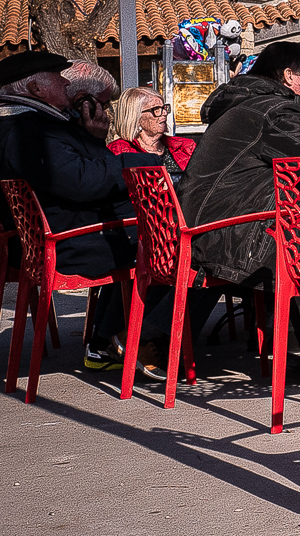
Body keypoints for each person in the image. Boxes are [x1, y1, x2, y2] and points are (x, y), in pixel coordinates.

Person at [0, 52, 139, 369]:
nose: (65, 82)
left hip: (64, 236)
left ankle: (114, 337)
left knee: (144, 236)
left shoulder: (32, 124)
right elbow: (82, 181)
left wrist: (94, 138)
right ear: (36, 88)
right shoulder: (25, 131)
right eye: (57, 77)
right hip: (65, 244)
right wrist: (136, 165)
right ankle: (114, 343)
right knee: (160, 245)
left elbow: (84, 173)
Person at [179, 41, 300, 291]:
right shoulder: (275, 111)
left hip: (204, 228)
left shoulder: (247, 103)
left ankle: (290, 328)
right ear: (289, 75)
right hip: (227, 236)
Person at [107, 88, 195, 172]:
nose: (164, 113)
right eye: (156, 109)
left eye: (164, 108)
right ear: (136, 118)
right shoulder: (117, 151)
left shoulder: (185, 147)